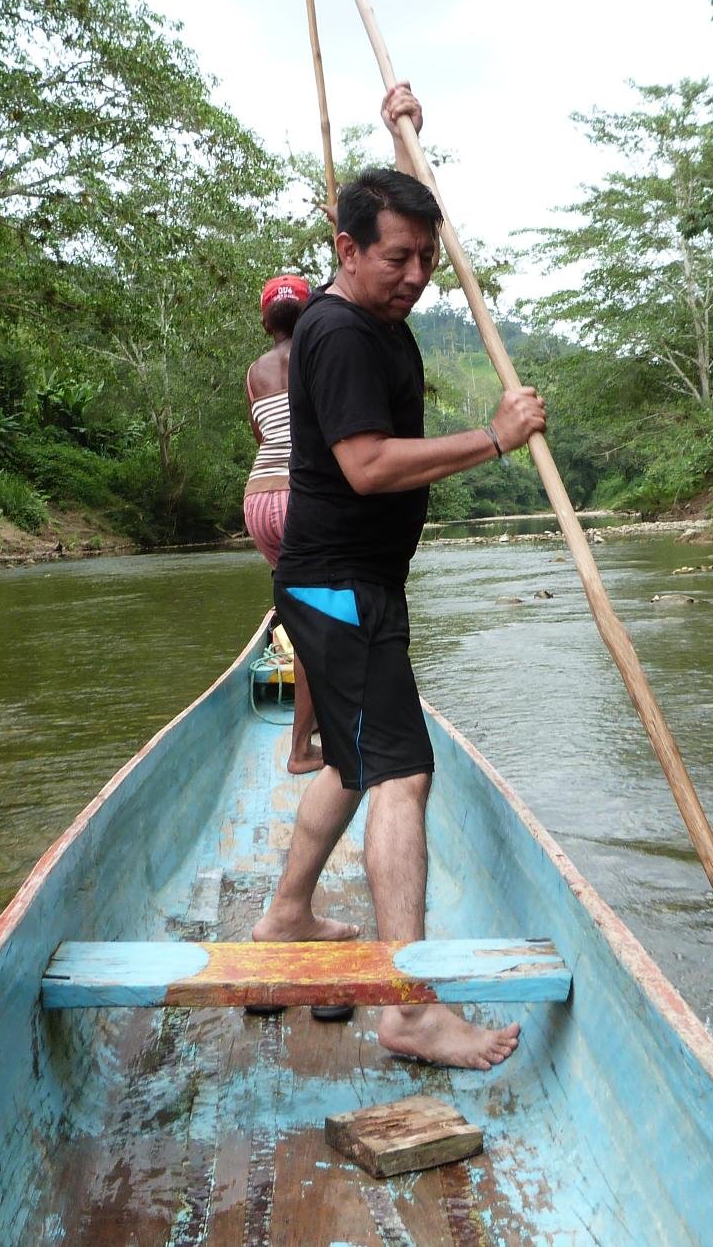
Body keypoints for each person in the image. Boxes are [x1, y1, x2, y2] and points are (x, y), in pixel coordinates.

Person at [251, 84, 547, 1070]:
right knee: (403, 775)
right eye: (396, 258)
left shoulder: (376, 310)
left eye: (425, 258)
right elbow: (368, 466)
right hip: (340, 589)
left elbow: (413, 211)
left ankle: (287, 914)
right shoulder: (335, 335)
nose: (417, 275)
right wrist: (493, 442)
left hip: (347, 586)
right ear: (345, 250)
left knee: (351, 762)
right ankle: (410, 1008)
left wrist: (403, 143)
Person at [243, 271, 322, 774]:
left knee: (299, 615)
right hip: (302, 498)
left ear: (266, 321)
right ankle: (300, 750)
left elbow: (262, 435)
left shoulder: (254, 372)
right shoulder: (321, 353)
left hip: (258, 503)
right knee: (321, 628)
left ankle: (314, 717)